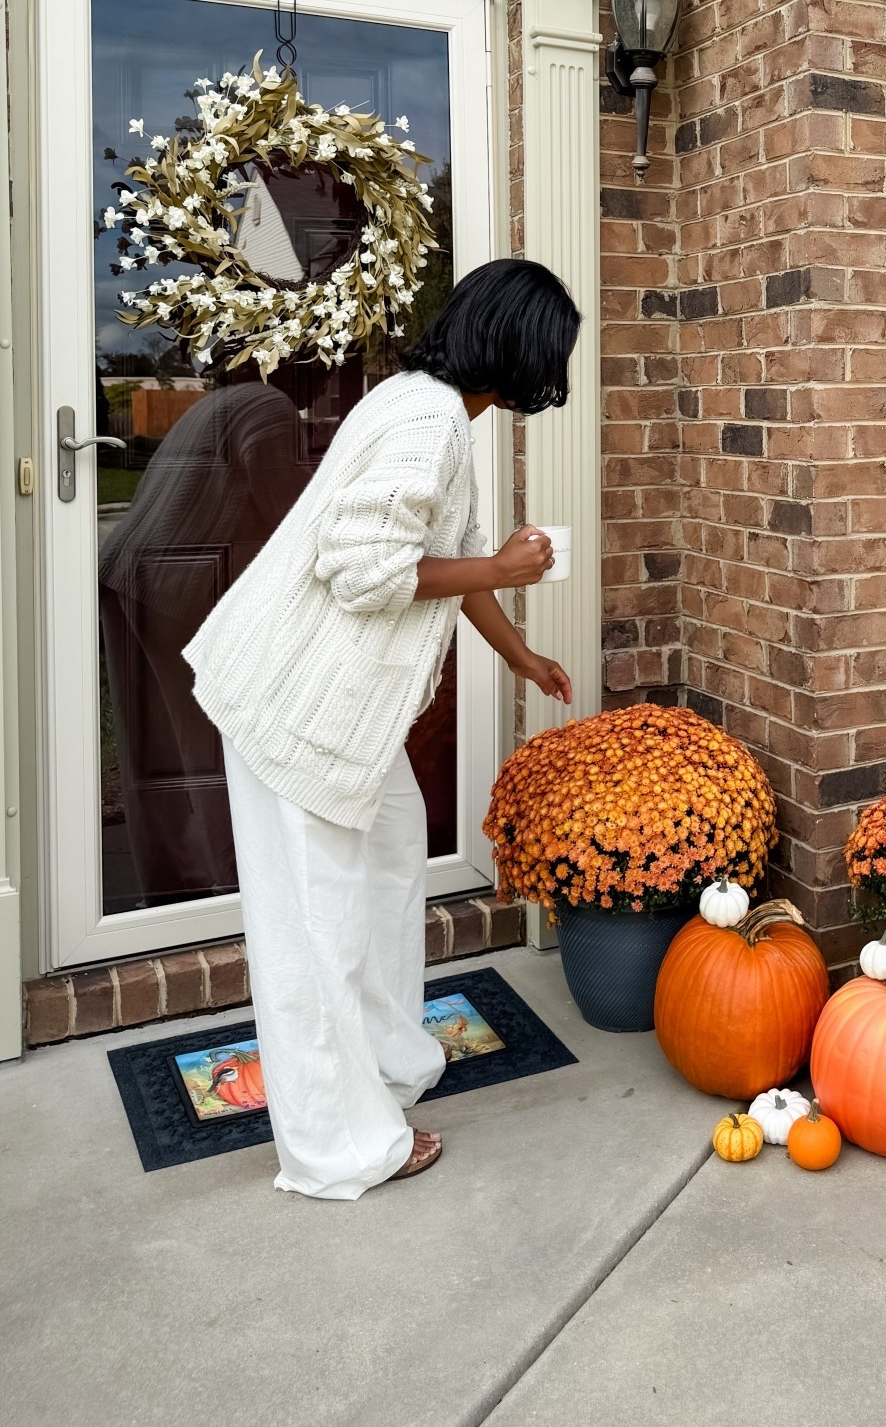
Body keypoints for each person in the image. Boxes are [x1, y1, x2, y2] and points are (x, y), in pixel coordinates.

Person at [184, 258, 579, 1199]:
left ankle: (391, 1060)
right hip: (296, 708)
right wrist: (503, 567)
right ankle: (339, 1149)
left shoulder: (425, 406)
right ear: (519, 350)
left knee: (395, 853)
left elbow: (445, 559)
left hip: (334, 717)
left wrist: (518, 653)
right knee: (313, 931)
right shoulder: (427, 420)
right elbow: (364, 570)